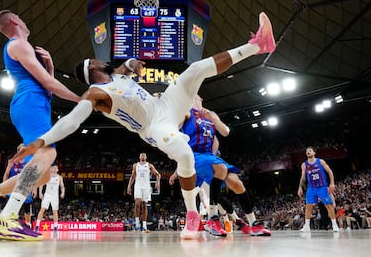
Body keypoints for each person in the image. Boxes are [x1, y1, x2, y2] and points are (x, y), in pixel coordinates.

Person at [15, 12, 276, 240]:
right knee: (184, 154)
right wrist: (42, 141)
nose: (99, 59)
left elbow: (126, 66)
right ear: (91, 68)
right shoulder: (95, 93)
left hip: (165, 105)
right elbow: (71, 121)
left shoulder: (115, 74)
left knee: (196, 69)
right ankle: (193, 214)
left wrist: (132, 63)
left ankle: (257, 45)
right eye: (94, 60)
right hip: (153, 126)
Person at [0, 10, 81, 241]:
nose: (26, 22)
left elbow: (47, 84)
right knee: (47, 153)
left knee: (45, 174)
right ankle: (6, 218)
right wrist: (84, 100)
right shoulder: (18, 44)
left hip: (36, 103)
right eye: (23, 19)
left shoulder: (21, 48)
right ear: (15, 21)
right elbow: (49, 85)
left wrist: (51, 68)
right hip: (30, 103)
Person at [172, 95, 271, 236]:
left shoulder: (211, 114)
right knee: (220, 169)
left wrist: (213, 120)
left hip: (208, 156)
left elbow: (225, 132)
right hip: (193, 154)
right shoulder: (186, 111)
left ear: (201, 99)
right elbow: (173, 129)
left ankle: (253, 224)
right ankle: (212, 218)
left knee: (236, 183)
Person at [297, 146, 340, 233]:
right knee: (308, 206)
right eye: (306, 151)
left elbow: (329, 171)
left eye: (310, 150)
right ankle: (307, 226)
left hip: (322, 187)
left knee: (329, 205)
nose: (308, 152)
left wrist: (332, 183)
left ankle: (335, 225)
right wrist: (300, 187)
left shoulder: (320, 161)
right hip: (311, 188)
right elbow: (303, 177)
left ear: (314, 153)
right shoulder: (304, 164)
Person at [127, 152, 161, 232]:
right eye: (141, 155)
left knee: (144, 205)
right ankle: (137, 223)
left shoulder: (149, 165)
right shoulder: (135, 165)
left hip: (146, 187)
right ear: (139, 157)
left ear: (146, 157)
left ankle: (144, 226)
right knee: (137, 203)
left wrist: (157, 182)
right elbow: (132, 177)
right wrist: (129, 186)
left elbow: (158, 174)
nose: (142, 155)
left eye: (144, 155)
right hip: (138, 186)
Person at [2, 149, 36, 229]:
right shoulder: (12, 161)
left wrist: (34, 189)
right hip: (12, 187)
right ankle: (7, 225)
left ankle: (28, 225)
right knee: (10, 207)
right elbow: (6, 175)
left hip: (25, 188)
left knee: (27, 207)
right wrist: (3, 188)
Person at [34, 164, 65, 232]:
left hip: (55, 196)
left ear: (57, 169)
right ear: (50, 169)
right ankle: (37, 225)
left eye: (55, 168)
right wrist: (40, 193)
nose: (54, 169)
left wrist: (63, 192)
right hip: (47, 195)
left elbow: (62, 186)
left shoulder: (59, 177)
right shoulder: (47, 176)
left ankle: (55, 227)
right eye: (53, 168)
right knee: (42, 210)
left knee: (55, 211)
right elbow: (41, 184)